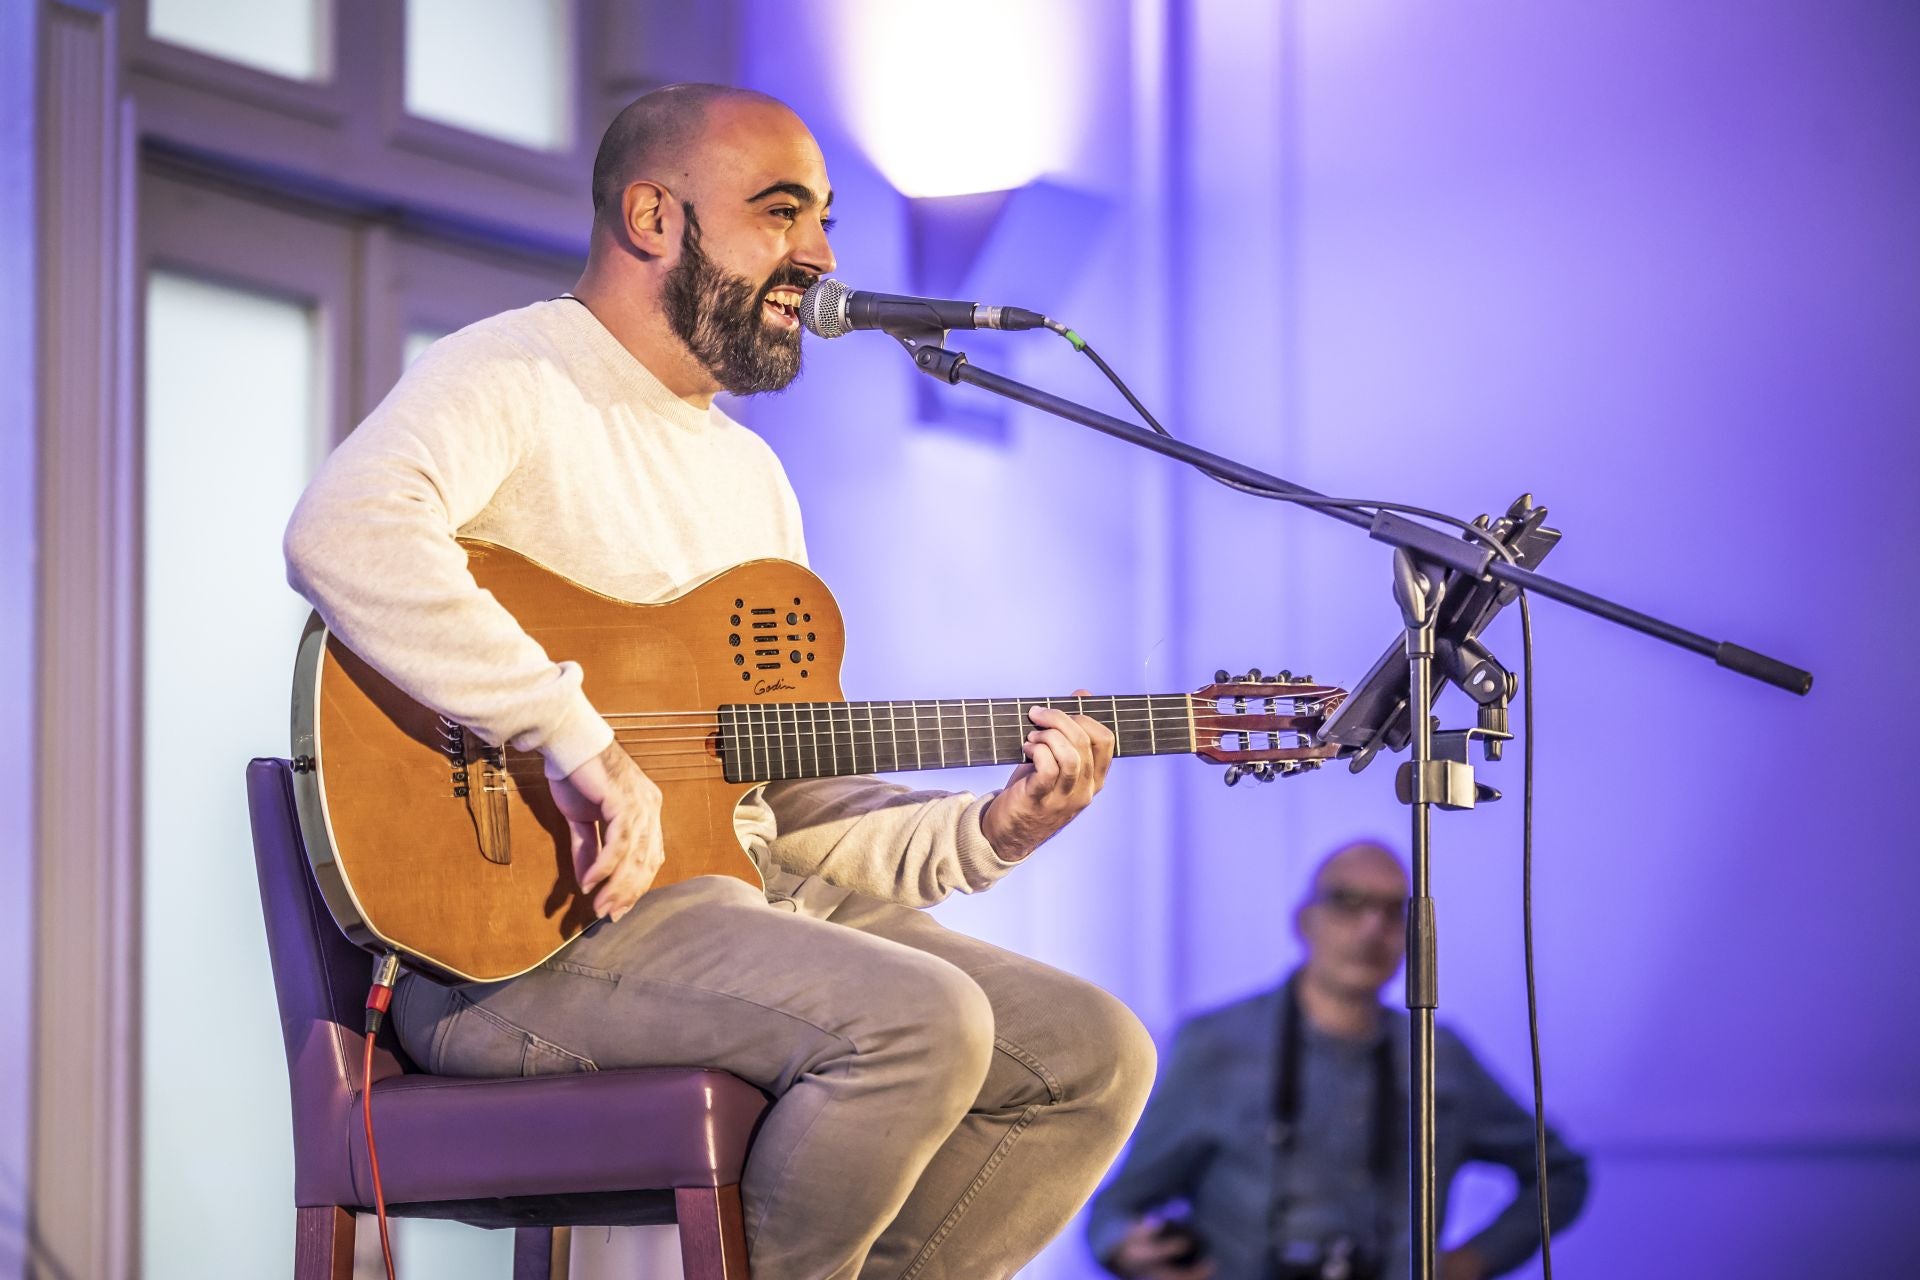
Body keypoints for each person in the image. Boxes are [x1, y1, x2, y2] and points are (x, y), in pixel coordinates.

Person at [283, 83, 1156, 1279]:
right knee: (919, 1022)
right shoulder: (515, 374)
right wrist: (573, 737)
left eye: (825, 218)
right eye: (781, 212)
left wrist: (990, 827)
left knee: (1090, 1053)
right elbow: (345, 530)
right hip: (526, 948)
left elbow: (795, 809)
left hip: (743, 907)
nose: (822, 255)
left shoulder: (752, 478)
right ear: (654, 214)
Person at [1085, 841, 1589, 1280]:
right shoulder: (1216, 1044)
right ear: (1305, 920)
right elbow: (1113, 1210)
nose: (1372, 928)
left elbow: (1561, 1173)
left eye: (1395, 912)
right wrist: (1129, 1250)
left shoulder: (1439, 1055)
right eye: (1348, 903)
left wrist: (1471, 1263)